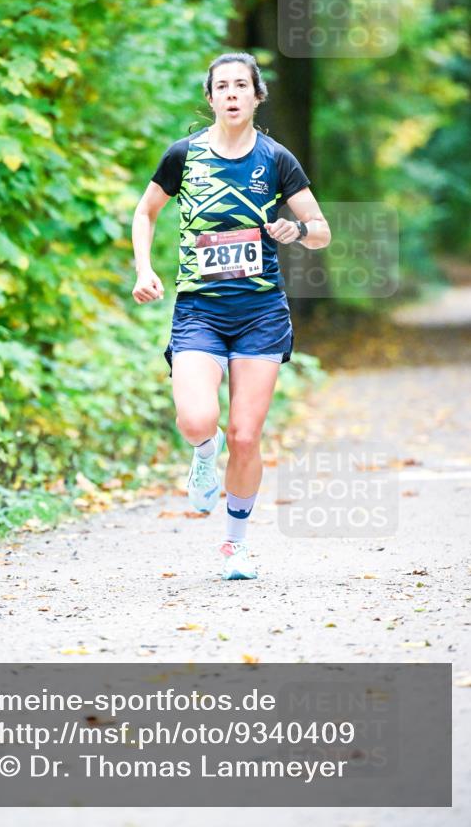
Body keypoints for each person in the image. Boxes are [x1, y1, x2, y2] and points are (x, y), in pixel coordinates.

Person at [131, 52, 331, 580]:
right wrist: (144, 269)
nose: (233, 94)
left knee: (246, 434)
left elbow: (321, 229)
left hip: (261, 312)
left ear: (257, 95)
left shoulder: (277, 159)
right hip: (199, 309)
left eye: (242, 85)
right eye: (223, 86)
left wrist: (298, 231)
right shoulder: (184, 155)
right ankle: (203, 451)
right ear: (211, 97)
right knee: (197, 419)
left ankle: (235, 544)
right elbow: (145, 211)